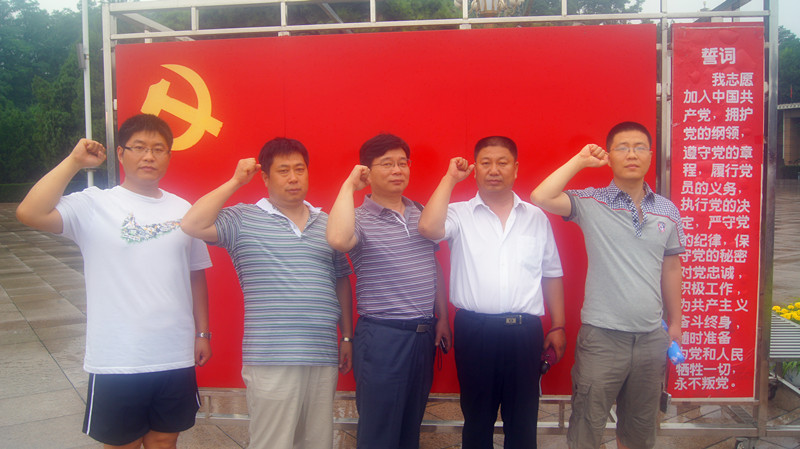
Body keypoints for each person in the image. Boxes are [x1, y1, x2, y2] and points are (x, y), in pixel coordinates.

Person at [15, 113, 212, 449]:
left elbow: (195, 275)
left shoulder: (185, 209)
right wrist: (74, 162)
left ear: (168, 156)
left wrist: (202, 333)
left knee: (165, 439)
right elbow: (30, 212)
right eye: (139, 147)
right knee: (123, 444)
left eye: (158, 149)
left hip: (174, 352)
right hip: (118, 356)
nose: (149, 156)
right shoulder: (95, 204)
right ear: (121, 153)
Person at [180, 137, 353, 449]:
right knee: (273, 443)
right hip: (271, 355)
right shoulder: (242, 219)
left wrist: (347, 337)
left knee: (317, 442)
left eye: (299, 169)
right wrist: (236, 181)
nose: (293, 178)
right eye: (283, 171)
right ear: (265, 177)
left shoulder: (327, 223)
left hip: (322, 352)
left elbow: (341, 280)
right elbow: (192, 224)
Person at [530, 122, 684, 449]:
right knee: (586, 427)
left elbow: (671, 268)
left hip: (650, 338)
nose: (632, 154)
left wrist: (676, 323)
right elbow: (541, 196)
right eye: (622, 147)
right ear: (609, 157)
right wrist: (581, 160)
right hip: (602, 337)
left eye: (639, 147)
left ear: (650, 155)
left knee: (639, 432)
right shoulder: (592, 202)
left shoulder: (667, 210)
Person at [418, 136, 566, 449]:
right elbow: (428, 229)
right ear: (475, 169)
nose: (494, 170)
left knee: (522, 421)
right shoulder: (458, 213)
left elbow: (551, 273)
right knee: (477, 420)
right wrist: (449, 179)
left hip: (525, 332)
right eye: (485, 163)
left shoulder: (536, 217)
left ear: (516, 168)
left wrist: (558, 325)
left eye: (502, 163)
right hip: (476, 330)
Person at [326, 133, 451, 449]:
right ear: (367, 172)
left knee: (410, 428)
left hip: (423, 336)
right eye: (386, 164)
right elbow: (338, 240)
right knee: (379, 432)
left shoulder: (421, 212)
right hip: (382, 337)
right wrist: (348, 186)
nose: (397, 170)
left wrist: (442, 318)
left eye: (402, 163)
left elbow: (433, 266)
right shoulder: (358, 219)